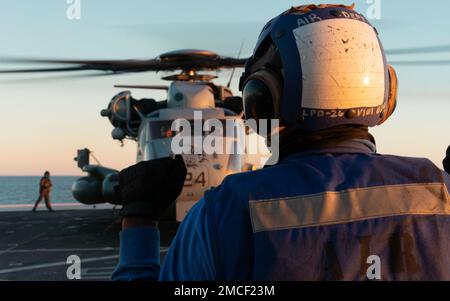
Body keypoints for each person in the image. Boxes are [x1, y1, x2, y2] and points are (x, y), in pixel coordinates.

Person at [112, 4, 450, 281]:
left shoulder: (222, 212)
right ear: (387, 94)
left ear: (260, 102)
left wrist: (139, 221)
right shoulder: (441, 190)